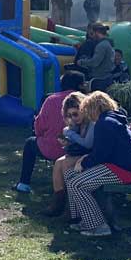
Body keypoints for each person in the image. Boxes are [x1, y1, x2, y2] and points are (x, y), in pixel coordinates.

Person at [62, 91, 131, 237]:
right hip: (114, 166)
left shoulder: (105, 123)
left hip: (120, 170)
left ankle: (99, 226)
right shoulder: (110, 120)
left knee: (75, 184)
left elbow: (101, 154)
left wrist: (84, 162)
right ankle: (82, 218)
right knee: (69, 174)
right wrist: (84, 159)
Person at [13, 70, 86, 202]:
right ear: (81, 85)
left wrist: (42, 135)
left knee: (30, 143)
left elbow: (39, 127)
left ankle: (24, 183)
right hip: (81, 150)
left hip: (53, 148)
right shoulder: (86, 102)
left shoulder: (51, 100)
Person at [74, 23, 115, 91]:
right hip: (107, 77)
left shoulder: (101, 46)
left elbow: (95, 62)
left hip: (99, 79)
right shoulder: (108, 44)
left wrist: (81, 62)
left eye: (92, 33)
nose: (91, 36)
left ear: (97, 32)